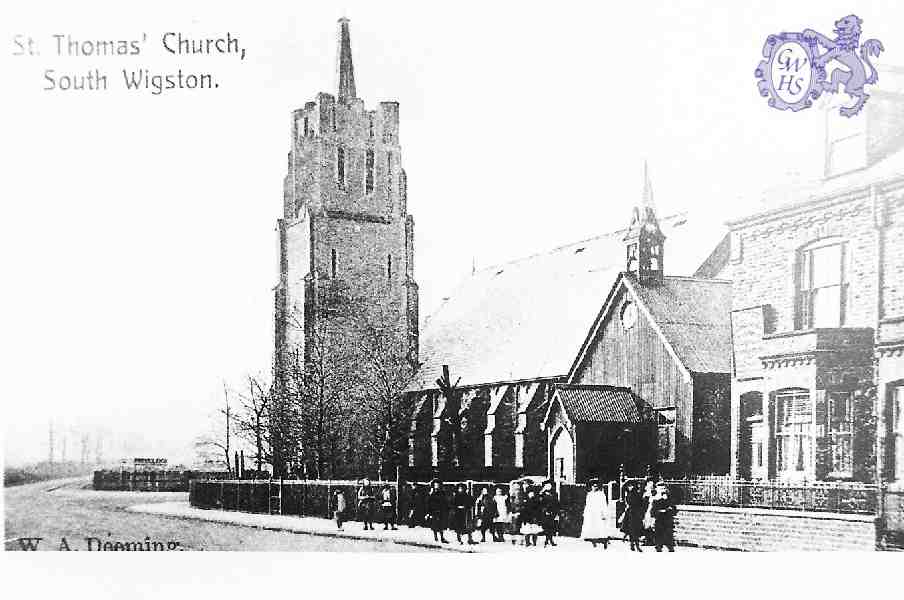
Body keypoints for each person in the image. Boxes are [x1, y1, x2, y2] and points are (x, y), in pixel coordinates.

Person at [580, 479, 610, 549]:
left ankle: (604, 542)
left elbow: (604, 505)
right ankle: (594, 542)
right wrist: (586, 513)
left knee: (601, 529)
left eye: (596, 486)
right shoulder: (589, 494)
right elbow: (587, 505)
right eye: (593, 486)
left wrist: (604, 514)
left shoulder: (601, 494)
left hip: (599, 513)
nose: (594, 487)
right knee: (592, 528)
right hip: (592, 514)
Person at [650, 483, 678, 552]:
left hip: (668, 522)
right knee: (658, 544)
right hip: (659, 523)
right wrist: (660, 511)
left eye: (663, 488)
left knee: (670, 544)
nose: (662, 490)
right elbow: (652, 512)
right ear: (657, 489)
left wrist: (669, 509)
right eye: (660, 488)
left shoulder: (669, 498)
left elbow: (674, 510)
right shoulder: (655, 499)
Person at [621, 481, 645, 552]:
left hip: (635, 513)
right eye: (628, 486)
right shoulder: (629, 494)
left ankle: (635, 545)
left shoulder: (636, 494)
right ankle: (632, 545)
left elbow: (640, 503)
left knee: (634, 530)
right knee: (632, 530)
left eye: (631, 486)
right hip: (631, 513)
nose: (629, 487)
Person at [427, 479, 450, 543]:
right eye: (435, 485)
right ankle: (436, 537)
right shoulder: (432, 493)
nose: (437, 486)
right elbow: (429, 503)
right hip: (433, 511)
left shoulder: (442, 493)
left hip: (441, 511)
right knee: (434, 525)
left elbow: (445, 502)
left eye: (438, 484)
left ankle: (442, 537)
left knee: (441, 525)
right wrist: (429, 512)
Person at [538, 480, 560, 548]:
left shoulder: (554, 493)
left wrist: (556, 512)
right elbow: (540, 503)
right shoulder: (542, 493)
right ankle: (548, 540)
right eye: (547, 485)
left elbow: (556, 503)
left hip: (552, 512)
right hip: (544, 512)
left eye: (550, 485)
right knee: (546, 527)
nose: (548, 486)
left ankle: (548, 540)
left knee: (551, 527)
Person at [641, 478, 656, 545]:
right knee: (646, 525)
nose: (649, 486)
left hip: (650, 510)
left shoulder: (653, 493)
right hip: (645, 510)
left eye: (651, 485)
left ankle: (650, 540)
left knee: (650, 525)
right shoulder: (645, 493)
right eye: (648, 484)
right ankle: (647, 539)